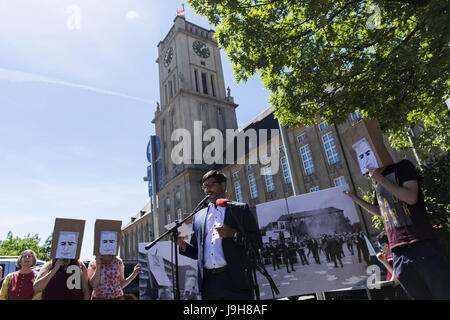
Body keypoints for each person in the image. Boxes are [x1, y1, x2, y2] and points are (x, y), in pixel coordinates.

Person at [344, 159, 450, 299]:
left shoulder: (402, 167)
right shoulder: (377, 181)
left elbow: (411, 197)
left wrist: (381, 179)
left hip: (421, 243)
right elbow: (382, 212)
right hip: (398, 252)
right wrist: (356, 199)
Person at [176, 170, 262, 300]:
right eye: (204, 186)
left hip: (235, 280)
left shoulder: (239, 209)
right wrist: (182, 245)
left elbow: (256, 242)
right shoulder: (199, 216)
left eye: (211, 184)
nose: (207, 189)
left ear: (223, 185)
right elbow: (196, 252)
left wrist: (233, 233)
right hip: (209, 284)